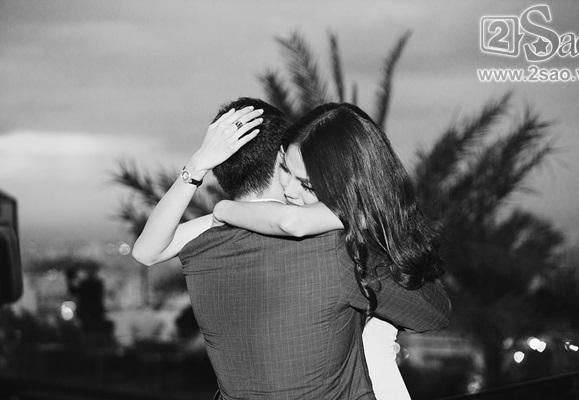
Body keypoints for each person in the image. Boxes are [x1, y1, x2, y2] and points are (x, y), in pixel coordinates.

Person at [133, 98, 450, 399]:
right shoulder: (338, 247)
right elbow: (432, 315)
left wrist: (201, 170)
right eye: (288, 169)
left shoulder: (204, 245)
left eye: (305, 181)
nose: (293, 188)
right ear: (280, 158)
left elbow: (148, 251)